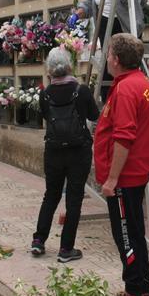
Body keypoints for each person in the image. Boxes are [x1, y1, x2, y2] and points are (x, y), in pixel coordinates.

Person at [95, 33, 149, 296]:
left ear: (117, 60)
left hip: (124, 177)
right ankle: (142, 285)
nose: (106, 58)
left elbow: (123, 137)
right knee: (134, 230)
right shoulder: (145, 85)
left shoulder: (124, 90)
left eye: (108, 54)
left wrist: (111, 179)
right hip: (137, 173)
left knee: (125, 236)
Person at [30, 47, 99, 262]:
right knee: (74, 199)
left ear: (49, 69)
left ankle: (38, 241)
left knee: (51, 195)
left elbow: (45, 115)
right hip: (79, 151)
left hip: (54, 150)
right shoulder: (82, 90)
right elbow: (94, 115)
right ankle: (66, 249)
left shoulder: (45, 93)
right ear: (70, 65)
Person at [72, 0, 142, 98]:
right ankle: (108, 98)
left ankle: (128, 94)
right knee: (108, 63)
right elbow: (89, 4)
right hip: (105, 26)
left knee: (124, 62)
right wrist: (77, 14)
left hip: (123, 25)